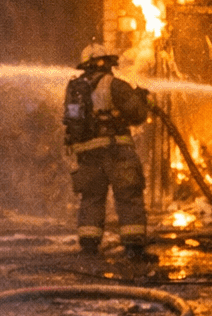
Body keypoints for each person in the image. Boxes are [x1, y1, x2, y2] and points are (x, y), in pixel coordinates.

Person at [63, 44, 152, 256]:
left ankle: (89, 246)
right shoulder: (115, 85)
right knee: (128, 195)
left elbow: (71, 121)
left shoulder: (74, 89)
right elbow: (138, 115)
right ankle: (133, 248)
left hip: (87, 153)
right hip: (116, 150)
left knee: (91, 198)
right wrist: (143, 99)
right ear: (104, 63)